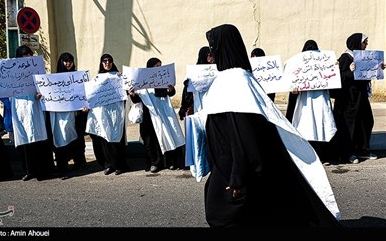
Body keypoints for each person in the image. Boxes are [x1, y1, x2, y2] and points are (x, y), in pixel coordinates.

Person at [202, 24, 341, 228]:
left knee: (221, 216)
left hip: (234, 172)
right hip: (227, 167)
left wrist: (238, 179)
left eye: (214, 47)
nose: (212, 53)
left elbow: (243, 136)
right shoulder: (235, 79)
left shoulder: (235, 83)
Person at [333, 33, 385, 164]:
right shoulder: (346, 57)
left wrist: (378, 68)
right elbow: (339, 78)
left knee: (366, 122)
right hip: (348, 99)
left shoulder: (363, 57)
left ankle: (363, 150)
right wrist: (350, 71)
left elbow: (365, 74)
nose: (366, 44)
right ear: (356, 42)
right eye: (364, 42)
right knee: (350, 126)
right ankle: (349, 153)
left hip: (361, 97)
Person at [129, 57, 185, 173]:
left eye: (160, 66)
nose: (158, 68)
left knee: (167, 135)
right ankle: (155, 163)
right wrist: (132, 94)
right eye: (156, 66)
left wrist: (170, 90)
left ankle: (169, 162)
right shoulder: (140, 80)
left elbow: (169, 93)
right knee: (150, 140)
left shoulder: (162, 79)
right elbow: (136, 100)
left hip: (163, 114)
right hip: (148, 116)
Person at [285, 40, 337, 164]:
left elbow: (331, 81)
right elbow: (292, 86)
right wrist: (293, 89)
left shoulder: (323, 63)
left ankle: (323, 156)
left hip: (321, 100)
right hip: (305, 102)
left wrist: (334, 69)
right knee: (307, 128)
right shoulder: (297, 64)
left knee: (321, 127)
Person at [11, 45, 55, 181]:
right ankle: (29, 170)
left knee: (38, 139)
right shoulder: (12, 72)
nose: (27, 57)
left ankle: (43, 170)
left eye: (29, 54)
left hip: (35, 109)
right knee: (25, 139)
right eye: (25, 55)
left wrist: (40, 94)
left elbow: (45, 87)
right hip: (19, 108)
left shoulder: (38, 70)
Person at [85, 53, 130, 175]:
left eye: (110, 61)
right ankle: (108, 164)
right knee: (104, 138)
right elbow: (90, 95)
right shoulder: (96, 79)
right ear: (101, 63)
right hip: (102, 114)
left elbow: (127, 91)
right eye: (105, 61)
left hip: (116, 112)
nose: (107, 63)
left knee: (115, 138)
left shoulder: (118, 76)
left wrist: (125, 82)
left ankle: (120, 165)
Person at [46, 52, 86, 176]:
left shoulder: (78, 77)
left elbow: (83, 92)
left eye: (70, 61)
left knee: (76, 136)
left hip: (74, 113)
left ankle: (78, 162)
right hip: (58, 114)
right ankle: (62, 164)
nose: (68, 63)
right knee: (60, 136)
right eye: (66, 61)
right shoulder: (54, 79)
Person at [178, 46, 213, 181]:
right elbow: (187, 93)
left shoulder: (217, 71)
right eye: (209, 55)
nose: (211, 58)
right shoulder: (194, 72)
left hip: (214, 108)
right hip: (200, 110)